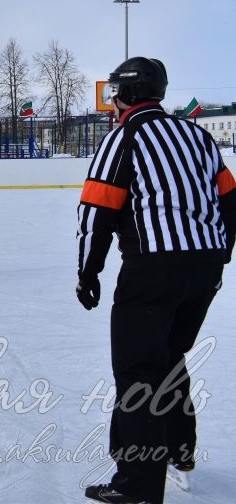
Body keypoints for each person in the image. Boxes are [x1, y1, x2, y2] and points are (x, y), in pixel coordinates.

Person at [77, 57, 236, 504]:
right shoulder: (198, 136)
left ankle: (138, 485)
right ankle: (180, 452)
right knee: (169, 356)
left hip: (153, 270)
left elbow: (97, 211)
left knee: (139, 373)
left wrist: (88, 272)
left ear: (125, 94)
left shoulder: (124, 137)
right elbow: (232, 201)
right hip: (203, 269)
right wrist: (219, 255)